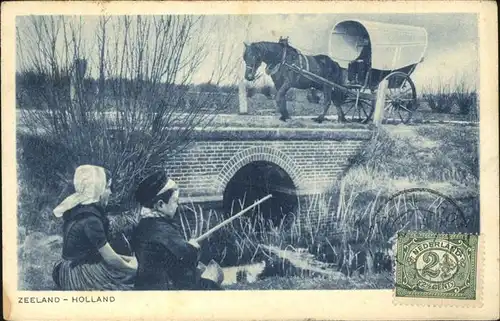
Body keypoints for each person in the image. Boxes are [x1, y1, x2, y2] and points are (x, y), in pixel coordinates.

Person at [131, 171, 224, 290]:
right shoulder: (161, 228)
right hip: (165, 291)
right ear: (160, 205)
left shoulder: (144, 224)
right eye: (175, 201)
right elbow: (187, 257)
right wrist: (192, 247)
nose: (177, 205)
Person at [51, 165, 137, 290]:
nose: (110, 192)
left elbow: (105, 254)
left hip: (72, 266)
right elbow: (111, 258)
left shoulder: (78, 211)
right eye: (107, 187)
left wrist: (128, 260)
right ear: (98, 189)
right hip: (80, 273)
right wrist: (134, 268)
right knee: (129, 284)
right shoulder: (91, 220)